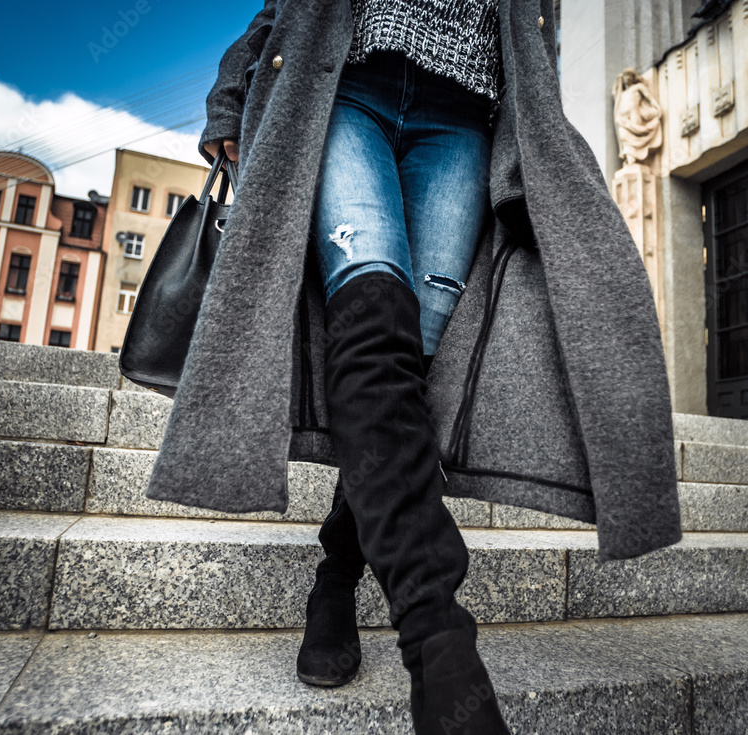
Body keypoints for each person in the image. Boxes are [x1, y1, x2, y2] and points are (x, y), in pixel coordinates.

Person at [151, 0, 683, 732]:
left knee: (407, 378)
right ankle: (439, 640)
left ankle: (336, 577)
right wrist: (229, 101)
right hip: (346, 93)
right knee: (371, 328)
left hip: (461, 120)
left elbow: (533, 33)